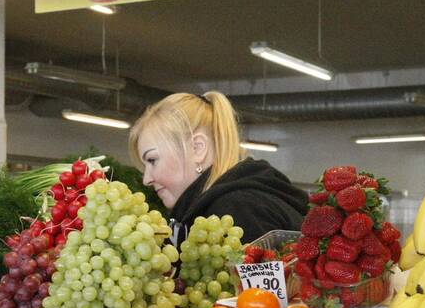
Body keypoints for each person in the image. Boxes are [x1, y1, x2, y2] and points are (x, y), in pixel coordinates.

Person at [129, 91, 308, 245]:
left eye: (152, 160)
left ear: (197, 149)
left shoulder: (237, 212)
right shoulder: (241, 202)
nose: (147, 179)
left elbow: (255, 287)